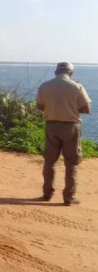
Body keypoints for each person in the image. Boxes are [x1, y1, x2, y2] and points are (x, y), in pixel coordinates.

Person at [36, 62, 91, 206]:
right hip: (71, 127)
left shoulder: (44, 86)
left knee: (49, 161)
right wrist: (71, 108)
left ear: (56, 72)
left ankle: (47, 193)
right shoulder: (77, 86)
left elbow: (39, 106)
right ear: (70, 73)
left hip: (52, 126)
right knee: (71, 162)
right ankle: (69, 196)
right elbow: (86, 109)